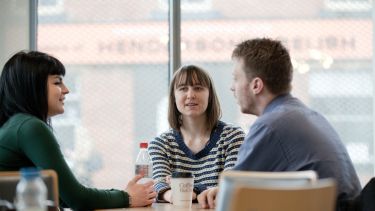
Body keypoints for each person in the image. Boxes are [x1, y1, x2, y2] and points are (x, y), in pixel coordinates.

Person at [197, 38, 362, 209]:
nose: (232, 87)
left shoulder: (270, 126)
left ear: (256, 85)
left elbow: (232, 196)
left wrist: (219, 191)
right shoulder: (308, 116)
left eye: (236, 79)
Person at [0, 51, 156, 210]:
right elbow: (77, 199)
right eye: (57, 82)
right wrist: (127, 197)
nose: (66, 90)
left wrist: (125, 195)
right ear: (32, 86)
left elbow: (63, 197)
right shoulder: (30, 127)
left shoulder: (15, 125)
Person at [148, 65, 244, 203]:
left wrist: (186, 189)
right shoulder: (160, 145)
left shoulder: (233, 137)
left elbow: (232, 186)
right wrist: (172, 194)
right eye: (183, 89)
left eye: (198, 88)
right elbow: (158, 185)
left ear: (209, 95)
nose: (190, 95)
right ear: (174, 97)